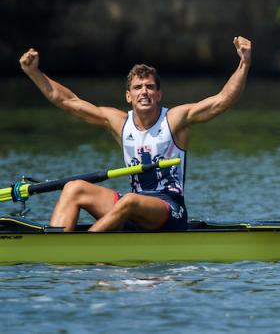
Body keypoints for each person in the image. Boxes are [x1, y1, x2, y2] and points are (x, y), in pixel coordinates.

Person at [18, 36, 252, 232]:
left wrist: (244, 63)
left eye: (150, 87)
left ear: (159, 95)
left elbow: (222, 100)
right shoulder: (119, 122)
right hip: (135, 209)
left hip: (169, 209)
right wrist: (34, 73)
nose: (144, 92)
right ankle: (56, 247)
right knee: (73, 188)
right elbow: (68, 101)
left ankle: (82, 247)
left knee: (129, 200)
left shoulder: (176, 119)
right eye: (138, 87)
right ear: (128, 96)